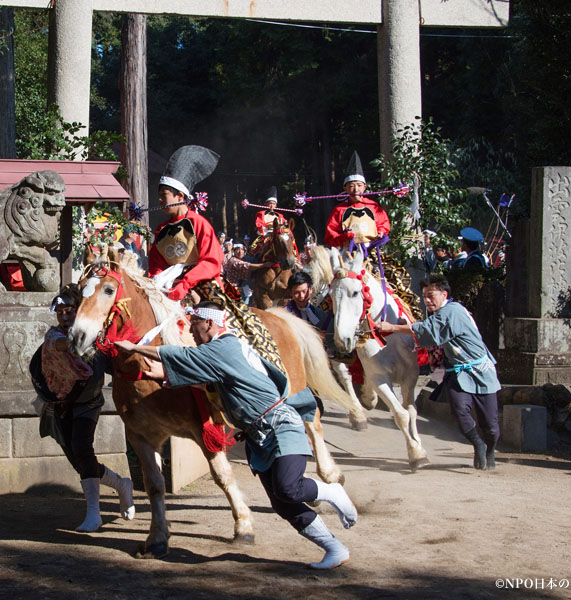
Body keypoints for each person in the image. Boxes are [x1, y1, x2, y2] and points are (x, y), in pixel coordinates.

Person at [115, 303, 357, 570]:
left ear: (209, 323)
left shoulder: (224, 346)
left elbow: (181, 355)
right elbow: (209, 380)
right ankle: (335, 548)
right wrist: (167, 377)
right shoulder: (222, 352)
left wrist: (134, 347)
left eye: (194, 326)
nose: (192, 333)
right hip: (257, 436)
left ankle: (331, 491)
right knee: (282, 503)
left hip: (280, 427)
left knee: (289, 487)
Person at [30, 284, 135, 531]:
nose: (64, 316)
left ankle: (93, 513)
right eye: (61, 312)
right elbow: (63, 346)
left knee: (82, 448)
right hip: (60, 404)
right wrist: (85, 339)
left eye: (69, 311)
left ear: (78, 311)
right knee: (79, 461)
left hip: (88, 402)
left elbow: (113, 364)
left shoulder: (97, 338)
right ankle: (121, 485)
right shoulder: (54, 336)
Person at [377, 275, 500, 470]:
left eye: (431, 295)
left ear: (444, 294)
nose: (427, 300)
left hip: (480, 370)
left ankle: (489, 448)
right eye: (424, 296)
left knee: (491, 427)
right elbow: (428, 332)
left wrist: (392, 327)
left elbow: (429, 332)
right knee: (459, 411)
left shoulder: (453, 310)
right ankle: (478, 443)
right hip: (456, 372)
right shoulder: (440, 314)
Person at [148, 145, 225, 302]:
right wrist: (158, 282)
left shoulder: (198, 223)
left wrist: (186, 283)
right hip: (168, 284)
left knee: (212, 321)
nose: (160, 200)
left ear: (180, 196)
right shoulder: (161, 229)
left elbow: (212, 261)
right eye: (159, 196)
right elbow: (156, 265)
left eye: (164, 195)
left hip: (201, 284)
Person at [324, 151, 391, 249]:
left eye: (359, 185)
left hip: (371, 250)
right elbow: (330, 235)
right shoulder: (339, 210)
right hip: (347, 253)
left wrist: (381, 231)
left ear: (364, 187)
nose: (356, 189)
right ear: (345, 188)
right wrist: (344, 237)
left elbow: (383, 224)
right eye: (351, 186)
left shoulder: (373, 206)